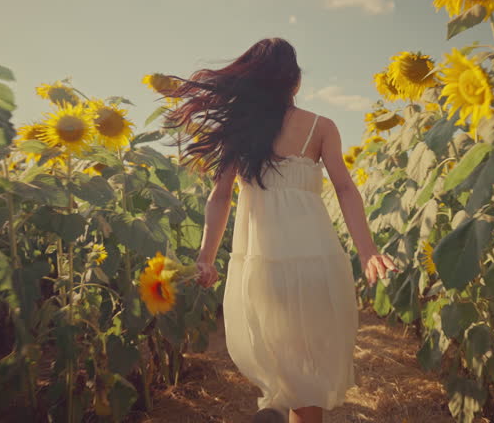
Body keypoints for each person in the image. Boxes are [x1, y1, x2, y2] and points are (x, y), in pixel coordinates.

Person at [161, 37, 397, 423]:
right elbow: (345, 189)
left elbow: (220, 198)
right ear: (296, 81)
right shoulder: (321, 127)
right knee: (307, 375)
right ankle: (279, 411)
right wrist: (368, 251)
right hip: (315, 259)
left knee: (286, 367)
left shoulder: (241, 134)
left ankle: (273, 411)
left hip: (262, 264)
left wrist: (206, 257)